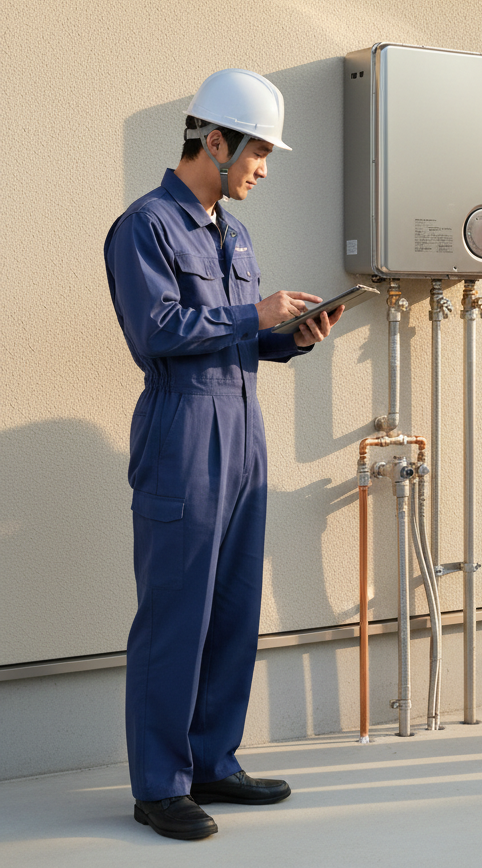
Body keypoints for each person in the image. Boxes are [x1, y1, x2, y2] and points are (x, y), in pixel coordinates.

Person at [104, 69, 343, 840]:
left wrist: (288, 338)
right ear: (216, 140)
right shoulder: (144, 226)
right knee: (177, 612)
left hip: (243, 430)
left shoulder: (231, 233)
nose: (263, 170)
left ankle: (213, 760)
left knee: (234, 608)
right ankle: (159, 785)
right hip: (182, 433)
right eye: (258, 153)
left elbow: (241, 336)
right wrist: (253, 314)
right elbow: (158, 333)